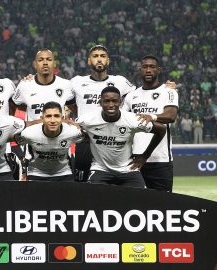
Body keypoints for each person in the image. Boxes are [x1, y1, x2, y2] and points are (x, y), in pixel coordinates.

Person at [77, 86, 166, 188]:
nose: (111, 105)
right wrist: (68, 123)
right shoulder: (88, 119)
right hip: (100, 169)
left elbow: (161, 129)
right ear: (100, 102)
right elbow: (70, 128)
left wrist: (145, 156)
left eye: (115, 101)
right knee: (95, 199)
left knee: (141, 199)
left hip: (128, 169)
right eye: (106, 101)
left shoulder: (132, 120)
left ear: (120, 102)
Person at [70, 45, 136, 182]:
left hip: (111, 139)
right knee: (81, 183)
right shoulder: (77, 82)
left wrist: (166, 87)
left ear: (108, 61)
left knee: (111, 181)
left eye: (102, 56)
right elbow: (63, 99)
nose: (99, 59)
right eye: (95, 56)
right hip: (85, 140)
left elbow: (136, 97)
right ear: (89, 61)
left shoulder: (120, 81)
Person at [123, 55, 179, 192]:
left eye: (152, 67)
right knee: (136, 204)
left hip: (160, 160)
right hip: (135, 160)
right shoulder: (131, 96)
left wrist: (152, 116)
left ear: (158, 70)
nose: (148, 70)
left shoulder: (168, 91)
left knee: (163, 204)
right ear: (139, 69)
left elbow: (171, 115)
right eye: (145, 67)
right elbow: (122, 120)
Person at [16, 102, 84, 181]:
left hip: (64, 173)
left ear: (62, 118)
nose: (52, 120)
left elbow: (89, 138)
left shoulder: (73, 131)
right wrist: (23, 171)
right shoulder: (28, 133)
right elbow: (11, 139)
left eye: (56, 116)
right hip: (36, 173)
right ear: (42, 119)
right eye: (48, 116)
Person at [12, 49, 76, 121]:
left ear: (54, 63)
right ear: (35, 64)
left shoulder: (66, 85)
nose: (45, 63)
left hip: (58, 132)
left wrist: (70, 122)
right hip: (33, 132)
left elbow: (76, 110)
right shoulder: (24, 85)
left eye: (49, 59)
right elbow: (13, 106)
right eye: (40, 60)